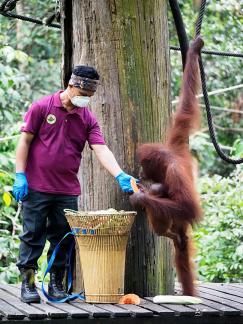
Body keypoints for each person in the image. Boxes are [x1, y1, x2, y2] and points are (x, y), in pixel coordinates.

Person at [12, 65, 138, 304]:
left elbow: (101, 149)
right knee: (32, 235)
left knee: (63, 237)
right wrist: (20, 174)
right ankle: (27, 284)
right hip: (36, 187)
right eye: (83, 95)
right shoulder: (42, 107)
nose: (85, 100)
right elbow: (24, 141)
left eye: (89, 97)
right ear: (71, 86)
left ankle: (57, 284)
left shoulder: (87, 118)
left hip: (66, 190)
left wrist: (120, 174)